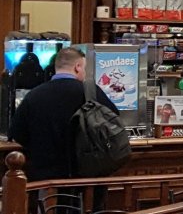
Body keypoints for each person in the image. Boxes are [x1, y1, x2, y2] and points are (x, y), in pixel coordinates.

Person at [8, 46, 118, 183]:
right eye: (84, 68)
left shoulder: (34, 95)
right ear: (78, 67)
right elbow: (114, 123)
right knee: (89, 204)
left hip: (45, 178)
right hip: (86, 175)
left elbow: (17, 133)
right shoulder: (91, 93)